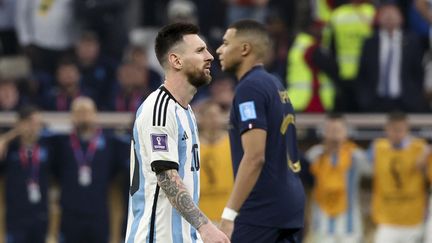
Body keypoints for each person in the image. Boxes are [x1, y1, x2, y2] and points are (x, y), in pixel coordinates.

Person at [124, 22, 230, 243]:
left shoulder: (187, 111)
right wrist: (205, 227)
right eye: (200, 50)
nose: (210, 56)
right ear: (176, 60)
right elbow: (166, 176)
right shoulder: (159, 109)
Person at [216, 19, 305, 242]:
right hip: (289, 207)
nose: (219, 50)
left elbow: (255, 156)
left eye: (226, 43)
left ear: (245, 49)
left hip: (261, 211)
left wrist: (229, 214)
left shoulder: (250, 88)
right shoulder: (275, 84)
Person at [52, 97, 125, 243]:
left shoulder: (110, 143)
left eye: (87, 112)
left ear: (95, 115)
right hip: (70, 214)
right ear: (72, 116)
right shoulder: (61, 144)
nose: (83, 116)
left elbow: (115, 170)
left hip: (98, 213)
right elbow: (56, 170)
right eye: (78, 112)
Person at [305, 114, 370, 243]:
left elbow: (373, 173)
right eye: (330, 130)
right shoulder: (314, 155)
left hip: (350, 226)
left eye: (338, 130)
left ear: (346, 132)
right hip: (322, 225)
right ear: (323, 132)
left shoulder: (356, 156)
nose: (334, 135)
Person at [356, 3, 428, 112]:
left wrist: (416, 97)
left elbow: (419, 72)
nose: (389, 17)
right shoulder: (369, 42)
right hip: (375, 102)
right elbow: (362, 73)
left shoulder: (413, 41)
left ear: (401, 18)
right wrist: (364, 99)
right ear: (379, 18)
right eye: (385, 14)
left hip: (407, 102)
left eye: (393, 14)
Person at [369, 112, 428, 243]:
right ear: (386, 129)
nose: (397, 134)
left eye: (401, 130)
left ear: (408, 129)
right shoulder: (376, 148)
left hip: (413, 220)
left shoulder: (420, 149)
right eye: (394, 130)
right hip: (386, 220)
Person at [0, 105, 53, 243]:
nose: (34, 127)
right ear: (19, 124)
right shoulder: (9, 148)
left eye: (37, 123)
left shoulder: (48, 146)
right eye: (30, 122)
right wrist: (8, 137)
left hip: (40, 216)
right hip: (15, 218)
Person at [196, 99, 234, 222]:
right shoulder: (193, 146)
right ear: (201, 119)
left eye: (217, 115)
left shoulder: (233, 144)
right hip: (202, 218)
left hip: (228, 216)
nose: (213, 120)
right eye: (209, 116)